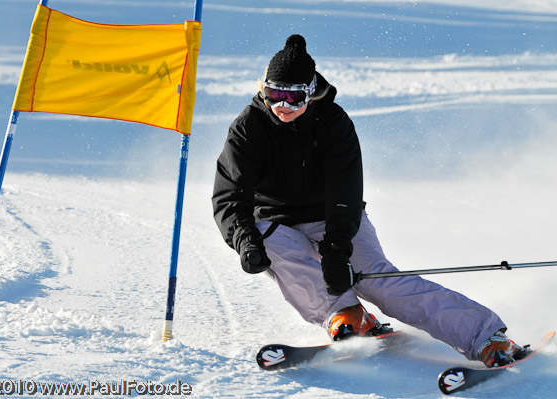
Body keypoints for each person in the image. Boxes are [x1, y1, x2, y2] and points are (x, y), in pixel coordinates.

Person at [211, 34, 528, 368]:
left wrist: (336, 250)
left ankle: (487, 337)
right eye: (275, 94)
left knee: (379, 283)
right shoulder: (248, 128)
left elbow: (344, 193)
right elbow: (230, 194)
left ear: (311, 92)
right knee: (267, 240)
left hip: (334, 219)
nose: (283, 107)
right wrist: (244, 240)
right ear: (263, 89)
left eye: (294, 98)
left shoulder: (332, 123)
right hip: (277, 223)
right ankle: (345, 314)